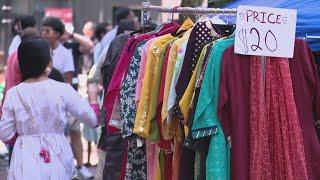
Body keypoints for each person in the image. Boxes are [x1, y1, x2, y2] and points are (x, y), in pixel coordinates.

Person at [0, 39, 98, 179]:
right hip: (57, 154)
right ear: (48, 61)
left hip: (25, 155)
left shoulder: (13, 94)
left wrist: (25, 132)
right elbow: (92, 119)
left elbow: (5, 134)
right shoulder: (63, 89)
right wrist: (94, 101)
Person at [41, 17, 93, 179]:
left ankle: (80, 165)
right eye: (42, 30)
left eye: (47, 31)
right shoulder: (40, 51)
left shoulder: (65, 53)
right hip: (43, 101)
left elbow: (67, 79)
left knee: (74, 133)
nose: (43, 34)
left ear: (57, 34)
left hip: (64, 100)